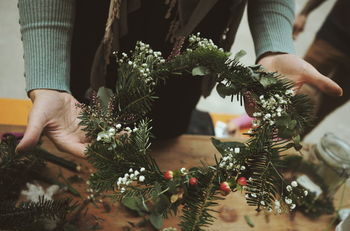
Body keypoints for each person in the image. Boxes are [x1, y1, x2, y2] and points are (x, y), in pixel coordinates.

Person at [15, 0, 342, 158]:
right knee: (79, 131)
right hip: (104, 31)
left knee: (164, 128)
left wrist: (274, 46)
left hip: (194, 41)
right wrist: (49, 79)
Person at [293, 0, 350, 137]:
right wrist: (304, 13)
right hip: (333, 36)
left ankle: (288, 148)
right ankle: (256, 137)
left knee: (324, 108)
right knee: (298, 91)